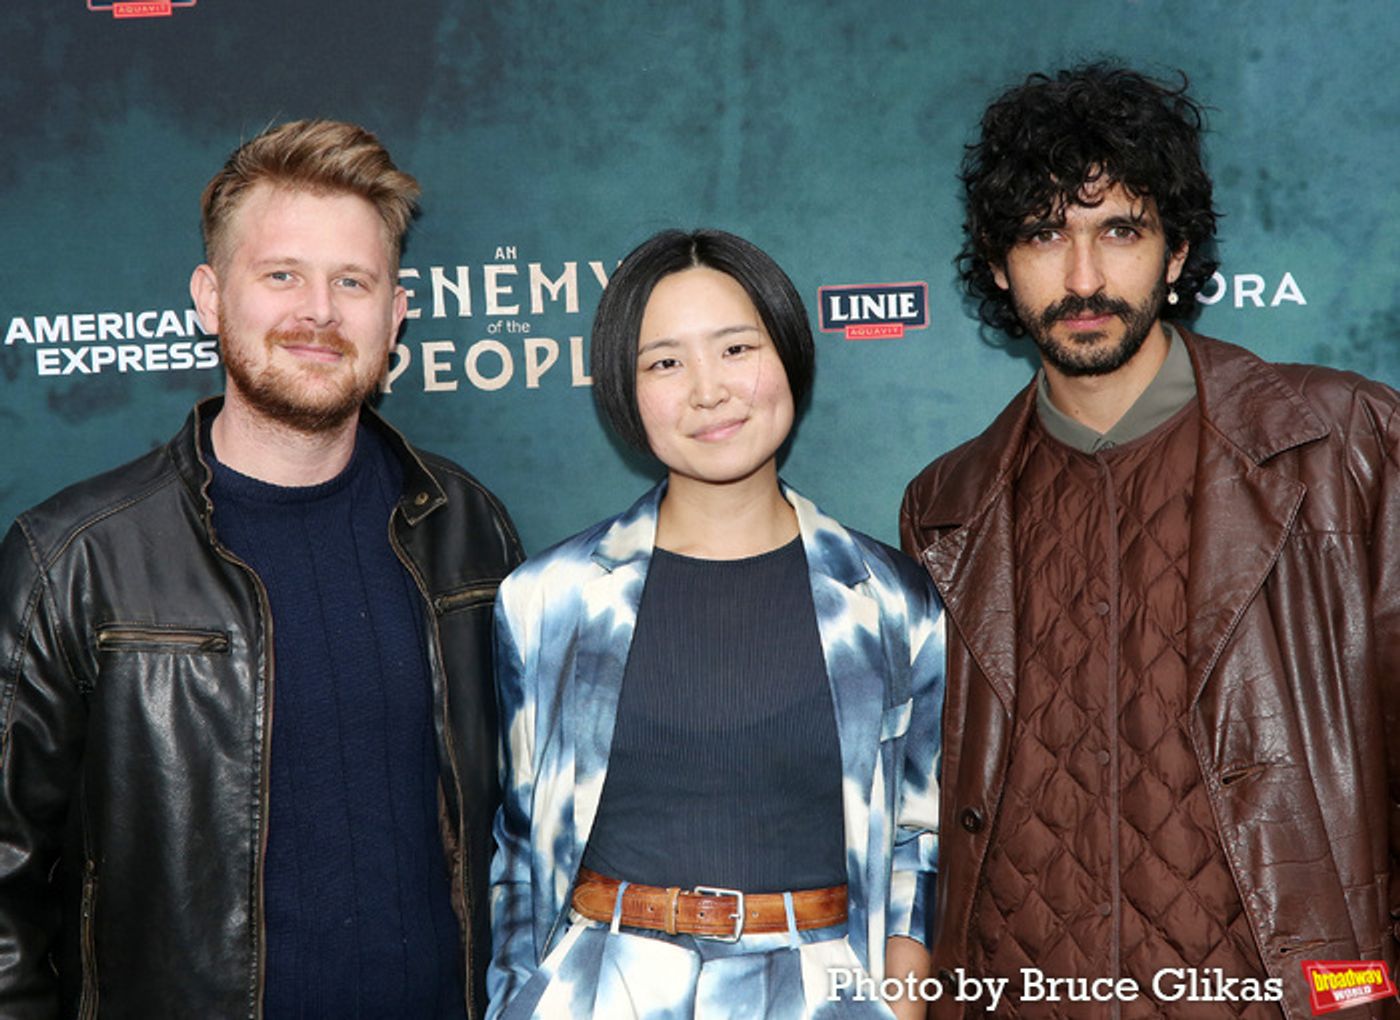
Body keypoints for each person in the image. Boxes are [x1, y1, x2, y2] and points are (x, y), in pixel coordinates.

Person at [900, 63, 1399, 1019]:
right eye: (1046, 234)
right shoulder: (944, 509)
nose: (1084, 277)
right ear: (999, 266)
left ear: (1175, 255)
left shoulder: (1347, 447)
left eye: (1119, 230)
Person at [0, 119, 522, 1018]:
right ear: (210, 297)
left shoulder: (468, 529)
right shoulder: (76, 559)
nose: (318, 312)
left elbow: (525, 831)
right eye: (282, 275)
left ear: (394, 314)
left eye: (352, 282)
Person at [487, 228, 943, 1019]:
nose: (709, 389)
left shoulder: (888, 599)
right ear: (625, 392)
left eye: (736, 348)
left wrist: (896, 1006)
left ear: (789, 356)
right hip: (601, 988)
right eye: (665, 362)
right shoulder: (548, 600)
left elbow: (918, 838)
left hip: (818, 988)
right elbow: (520, 850)